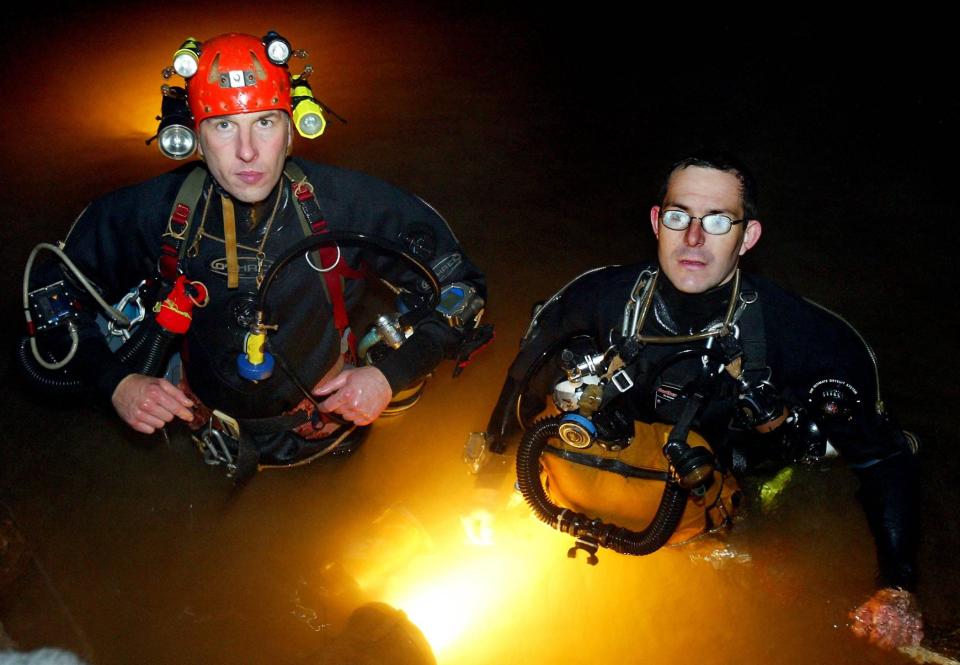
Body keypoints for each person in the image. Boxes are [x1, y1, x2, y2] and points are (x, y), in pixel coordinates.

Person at [483, 152, 922, 649]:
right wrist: (486, 491)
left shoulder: (805, 336)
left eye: (717, 221)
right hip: (594, 485)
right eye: (678, 217)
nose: (693, 238)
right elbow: (521, 389)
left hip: (721, 496)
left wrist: (897, 587)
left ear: (748, 236)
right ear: (656, 222)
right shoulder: (594, 300)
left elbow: (884, 457)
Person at [23, 32, 487, 475]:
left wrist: (389, 376)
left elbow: (461, 288)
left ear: (290, 131)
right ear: (196, 140)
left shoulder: (348, 205)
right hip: (200, 429)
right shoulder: (156, 212)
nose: (247, 152)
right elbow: (49, 293)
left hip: (327, 432)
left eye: (264, 122)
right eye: (224, 126)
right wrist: (118, 384)